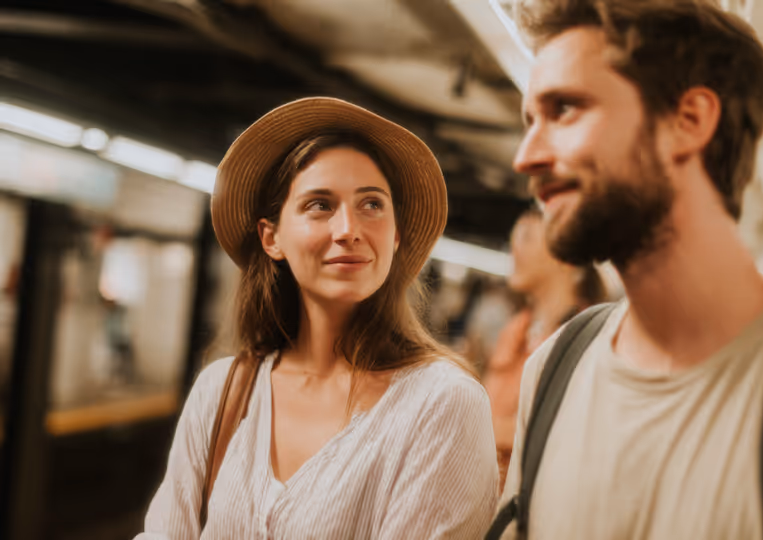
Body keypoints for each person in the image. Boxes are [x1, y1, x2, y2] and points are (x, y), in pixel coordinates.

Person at [492, 1, 763, 539]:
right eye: (529, 121)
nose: (527, 155)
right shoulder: (554, 371)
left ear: (688, 121)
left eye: (564, 109)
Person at [138, 97, 498, 539]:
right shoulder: (223, 392)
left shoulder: (442, 404)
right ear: (272, 238)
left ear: (396, 235)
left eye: (372, 205)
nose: (349, 229)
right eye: (320, 205)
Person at [483, 208, 606, 490]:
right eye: (513, 238)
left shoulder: (588, 339)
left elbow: (567, 433)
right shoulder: (514, 331)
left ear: (567, 257)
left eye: (526, 237)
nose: (514, 249)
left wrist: (474, 428)